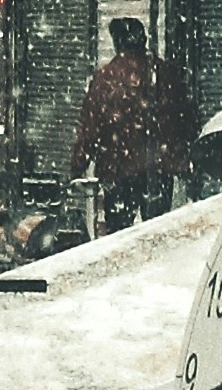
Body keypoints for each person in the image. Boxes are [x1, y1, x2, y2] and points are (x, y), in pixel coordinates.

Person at [75, 18, 182, 231]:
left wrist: (78, 166)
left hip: (118, 171)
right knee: (157, 234)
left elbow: (90, 127)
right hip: (157, 170)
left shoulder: (106, 78)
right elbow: (182, 118)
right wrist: (182, 160)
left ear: (118, 42)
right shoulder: (166, 73)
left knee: (119, 238)